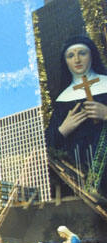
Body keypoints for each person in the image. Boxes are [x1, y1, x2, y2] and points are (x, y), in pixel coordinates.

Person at [46, 35, 107, 200]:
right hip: (80, 176)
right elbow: (48, 145)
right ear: (65, 62)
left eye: (82, 53)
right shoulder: (63, 98)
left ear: (92, 55)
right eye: (70, 56)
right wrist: (62, 130)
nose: (77, 59)